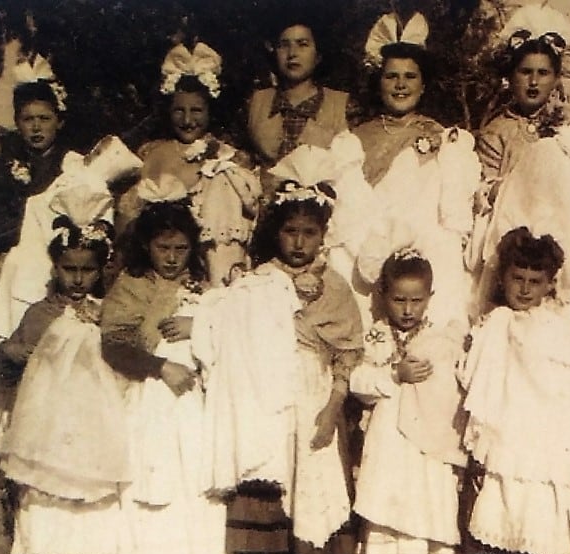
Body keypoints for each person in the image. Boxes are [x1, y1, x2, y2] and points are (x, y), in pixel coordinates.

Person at [193, 168, 363, 554]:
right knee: (270, 497)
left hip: (316, 396)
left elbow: (348, 352)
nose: (299, 242)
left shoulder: (336, 286)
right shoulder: (256, 281)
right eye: (290, 231)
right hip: (268, 400)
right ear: (276, 233)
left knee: (324, 491)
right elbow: (225, 326)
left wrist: (332, 408)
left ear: (323, 235)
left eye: (310, 233)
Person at [458, 227, 570, 554]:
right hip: (508, 435)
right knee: (505, 517)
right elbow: (475, 377)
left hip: (546, 439)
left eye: (534, 281)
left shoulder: (563, 325)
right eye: (517, 279)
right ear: (502, 278)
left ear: (549, 284)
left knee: (545, 520)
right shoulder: (496, 322)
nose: (524, 289)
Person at [101, 185, 235, 554]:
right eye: (163, 248)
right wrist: (159, 366)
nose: (173, 257)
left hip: (195, 402)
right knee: (156, 489)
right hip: (151, 399)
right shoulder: (132, 285)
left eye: (181, 248)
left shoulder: (205, 288)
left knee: (195, 489)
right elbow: (115, 344)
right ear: (146, 245)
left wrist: (200, 327)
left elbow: (227, 339)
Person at [0, 214, 124, 554]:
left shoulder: (108, 310)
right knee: (52, 493)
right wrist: (19, 353)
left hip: (94, 421)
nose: (77, 279)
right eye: (69, 269)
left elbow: (125, 354)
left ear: (101, 270)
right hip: (50, 424)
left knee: (88, 495)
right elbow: (12, 352)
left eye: (87, 270)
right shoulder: (41, 312)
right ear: (55, 268)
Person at [348, 249, 475, 554]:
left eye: (416, 300)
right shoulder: (375, 337)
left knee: (433, 507)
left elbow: (459, 385)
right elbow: (358, 382)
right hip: (389, 444)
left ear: (430, 298)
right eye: (399, 299)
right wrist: (394, 374)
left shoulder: (444, 338)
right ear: (383, 296)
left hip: (429, 446)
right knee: (393, 509)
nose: (407, 309)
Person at [470, 5, 570, 312]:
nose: (533, 82)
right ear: (511, 76)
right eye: (525, 72)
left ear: (556, 78)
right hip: (514, 232)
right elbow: (486, 187)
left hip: (563, 228)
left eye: (543, 73)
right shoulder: (497, 130)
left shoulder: (569, 125)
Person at [0, 56, 71, 449]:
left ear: (59, 120)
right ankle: (8, 432)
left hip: (51, 266)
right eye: (28, 119)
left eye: (44, 118)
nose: (36, 127)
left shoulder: (71, 165)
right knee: (9, 345)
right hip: (13, 268)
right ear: (17, 122)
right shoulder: (3, 167)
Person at [352, 11, 479, 328]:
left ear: (423, 85)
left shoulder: (442, 137)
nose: (400, 85)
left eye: (409, 77)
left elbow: (445, 214)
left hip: (424, 258)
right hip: (369, 251)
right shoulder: (356, 138)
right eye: (391, 76)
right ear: (379, 82)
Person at [123, 41, 261, 287]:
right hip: (160, 266)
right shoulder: (152, 154)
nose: (187, 120)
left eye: (196, 110)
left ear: (210, 112)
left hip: (211, 269)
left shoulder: (228, 158)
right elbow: (129, 217)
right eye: (179, 111)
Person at [247, 17, 357, 171]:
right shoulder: (256, 101)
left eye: (302, 44)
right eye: (284, 45)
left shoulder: (343, 105)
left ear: (318, 55)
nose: (292, 53)